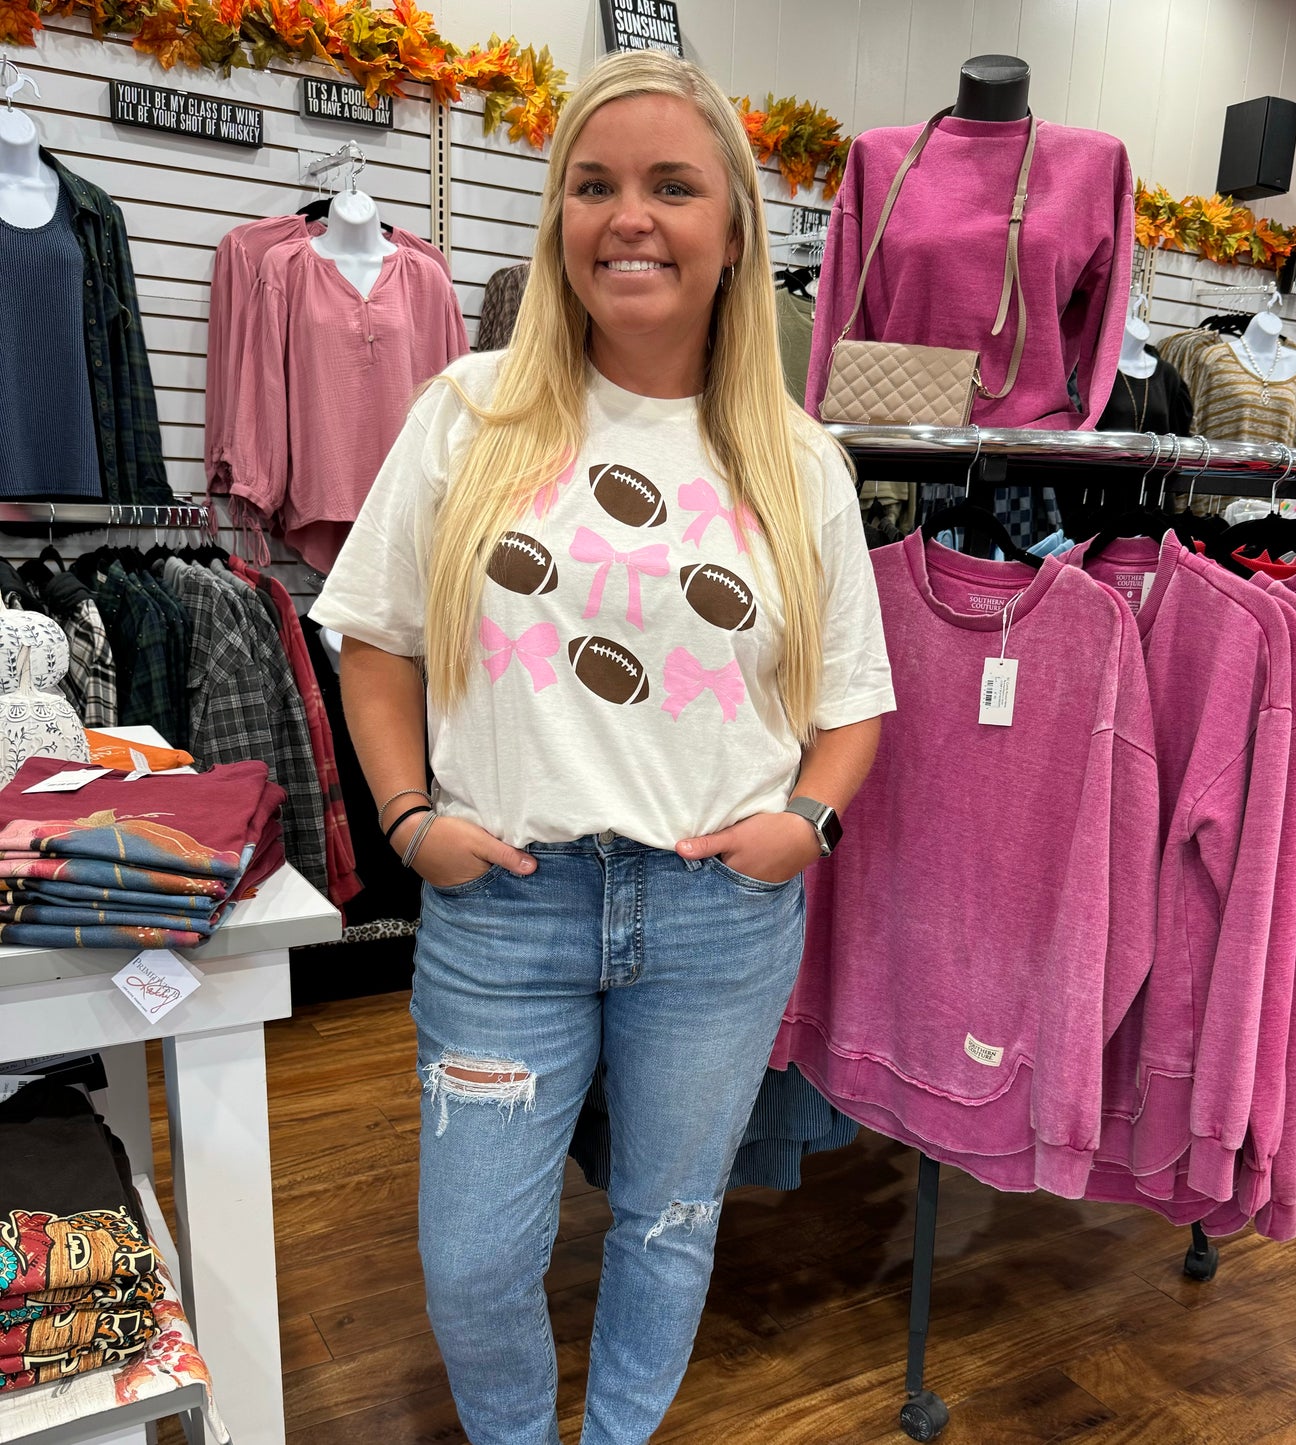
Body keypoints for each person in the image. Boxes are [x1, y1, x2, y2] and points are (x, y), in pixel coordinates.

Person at [309, 47, 894, 1445]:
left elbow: (854, 703)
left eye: (670, 186)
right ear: (556, 217)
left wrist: (802, 825)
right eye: (593, 186)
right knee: (474, 1258)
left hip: (717, 915)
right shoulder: (468, 412)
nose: (627, 216)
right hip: (504, 904)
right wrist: (403, 819)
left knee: (668, 1217)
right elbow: (374, 636)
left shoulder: (799, 459)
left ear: (733, 228)